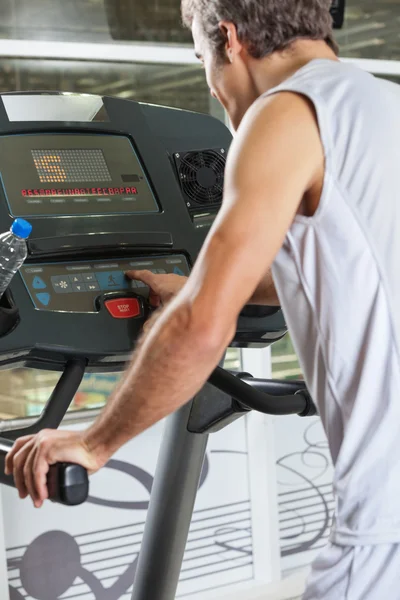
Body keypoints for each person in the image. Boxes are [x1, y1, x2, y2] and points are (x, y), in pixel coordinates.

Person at [6, 0, 400, 597]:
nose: (213, 88)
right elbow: (337, 262)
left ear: (229, 38)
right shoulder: (380, 101)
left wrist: (93, 442)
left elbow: (199, 326)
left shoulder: (284, 115)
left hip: (382, 533)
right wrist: (200, 282)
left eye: (200, 59)